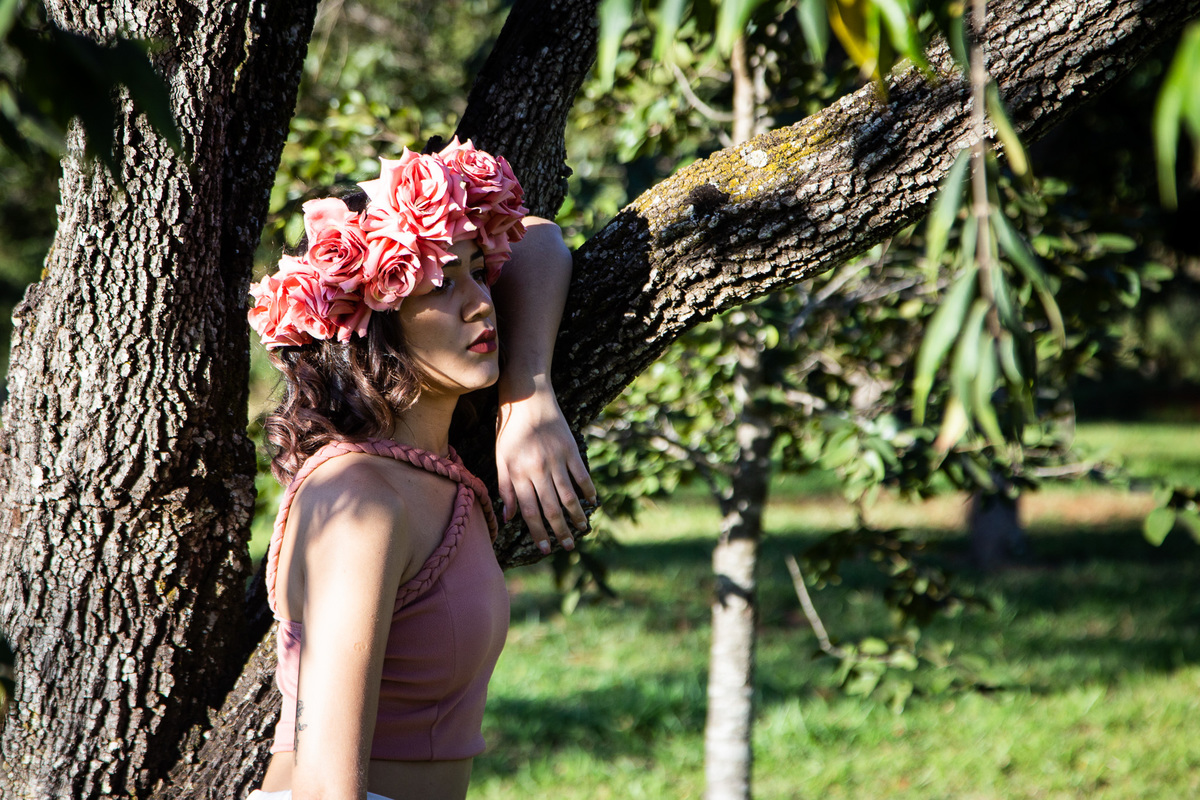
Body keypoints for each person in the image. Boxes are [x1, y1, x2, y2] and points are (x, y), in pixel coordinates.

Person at [244, 139, 596, 800]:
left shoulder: (427, 470)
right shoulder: (359, 499)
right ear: (373, 319)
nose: (481, 302)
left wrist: (528, 395)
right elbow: (326, 786)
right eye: (441, 284)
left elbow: (539, 242)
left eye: (478, 272)